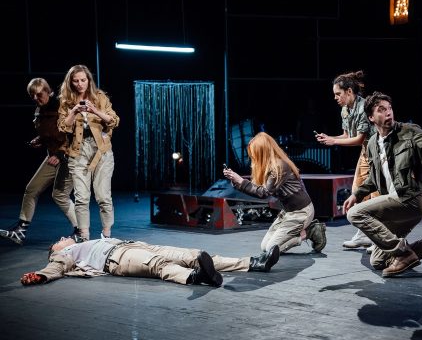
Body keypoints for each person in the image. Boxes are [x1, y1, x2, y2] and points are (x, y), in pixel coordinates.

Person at [342, 91, 422, 278]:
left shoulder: (409, 131)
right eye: (381, 110)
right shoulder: (372, 144)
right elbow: (373, 178)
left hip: (413, 197)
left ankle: (403, 253)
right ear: (371, 117)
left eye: (389, 108)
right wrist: (356, 194)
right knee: (378, 261)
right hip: (396, 203)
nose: (388, 112)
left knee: (354, 213)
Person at [20, 237, 280, 287]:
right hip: (118, 258)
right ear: (55, 250)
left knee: (193, 255)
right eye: (59, 240)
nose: (63, 238)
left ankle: (254, 263)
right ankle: (195, 277)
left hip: (134, 245)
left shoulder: (83, 242)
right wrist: (42, 275)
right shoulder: (65, 253)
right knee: (159, 265)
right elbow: (56, 267)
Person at [0, 78, 78, 245]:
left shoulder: (61, 106)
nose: (36, 98)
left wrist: (60, 153)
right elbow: (51, 133)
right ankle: (20, 231)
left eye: (39, 94)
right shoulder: (39, 111)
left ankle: (80, 231)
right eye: (32, 95)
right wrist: (40, 139)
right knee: (31, 189)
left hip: (69, 156)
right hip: (53, 156)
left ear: (48, 92)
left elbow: (72, 133)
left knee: (60, 195)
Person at [223, 132, 327, 253]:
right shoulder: (269, 166)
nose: (252, 157)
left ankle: (310, 232)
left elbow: (263, 193)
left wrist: (240, 181)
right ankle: (304, 231)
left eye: (254, 154)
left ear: (262, 152)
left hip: (301, 212)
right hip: (288, 213)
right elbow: (257, 188)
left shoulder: (279, 167)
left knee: (271, 248)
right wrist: (237, 181)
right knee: (264, 247)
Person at [315, 70, 378, 250]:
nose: (335, 98)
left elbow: (359, 138)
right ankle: (364, 234)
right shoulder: (345, 110)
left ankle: (378, 238)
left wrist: (334, 142)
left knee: (376, 195)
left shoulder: (364, 107)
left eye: (338, 94)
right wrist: (330, 138)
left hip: (378, 152)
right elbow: (347, 135)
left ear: (349, 91)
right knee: (358, 191)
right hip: (366, 152)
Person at [58, 65, 119, 240]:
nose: (80, 84)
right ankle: (84, 236)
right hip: (78, 150)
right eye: (76, 81)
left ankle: (106, 235)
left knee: (103, 196)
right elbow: (63, 127)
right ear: (71, 82)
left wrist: (95, 110)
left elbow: (114, 121)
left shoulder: (100, 97)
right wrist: (74, 111)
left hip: (101, 149)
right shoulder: (65, 101)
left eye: (83, 80)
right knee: (81, 197)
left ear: (88, 80)